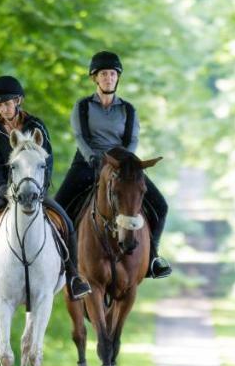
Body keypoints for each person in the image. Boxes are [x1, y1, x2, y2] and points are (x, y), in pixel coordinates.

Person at [0, 75, 92, 309]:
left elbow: (47, 159)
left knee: (65, 222)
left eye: (8, 103)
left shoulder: (36, 126)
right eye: (0, 105)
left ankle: (73, 277)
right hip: (5, 192)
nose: (4, 108)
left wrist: (40, 187)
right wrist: (1, 188)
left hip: (34, 191)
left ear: (18, 101)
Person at [53, 51, 172, 279]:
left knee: (161, 205)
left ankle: (153, 258)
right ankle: (60, 257)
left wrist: (122, 164)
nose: (108, 78)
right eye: (103, 74)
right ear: (95, 78)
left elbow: (132, 140)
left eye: (112, 74)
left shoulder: (128, 109)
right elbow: (80, 136)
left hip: (122, 166)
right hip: (88, 163)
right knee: (58, 207)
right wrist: (94, 159)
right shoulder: (83, 106)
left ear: (117, 78)